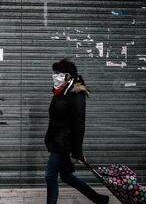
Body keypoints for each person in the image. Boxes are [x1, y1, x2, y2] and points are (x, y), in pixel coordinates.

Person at [44, 59, 109, 204]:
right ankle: (99, 199)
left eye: (58, 73)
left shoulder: (76, 95)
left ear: (68, 76)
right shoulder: (59, 91)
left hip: (62, 143)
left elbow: (79, 124)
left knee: (50, 176)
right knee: (67, 176)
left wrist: (77, 151)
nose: (55, 76)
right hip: (56, 140)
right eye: (54, 73)